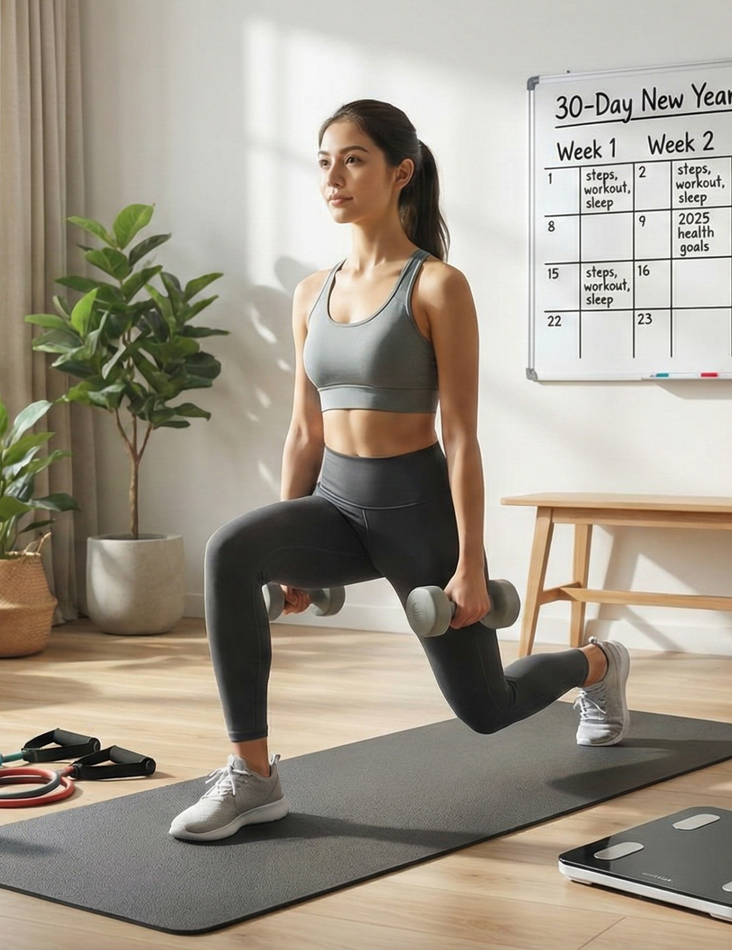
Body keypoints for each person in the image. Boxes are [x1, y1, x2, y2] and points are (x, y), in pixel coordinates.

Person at [170, 100, 632, 842]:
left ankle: (598, 664)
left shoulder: (437, 287)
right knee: (231, 549)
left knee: (486, 712)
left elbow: (464, 436)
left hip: (416, 515)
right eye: (324, 161)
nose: (334, 177)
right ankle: (253, 777)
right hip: (334, 506)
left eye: (353, 159)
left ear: (400, 172)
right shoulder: (310, 294)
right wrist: (284, 559)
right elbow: (302, 429)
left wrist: (471, 568)